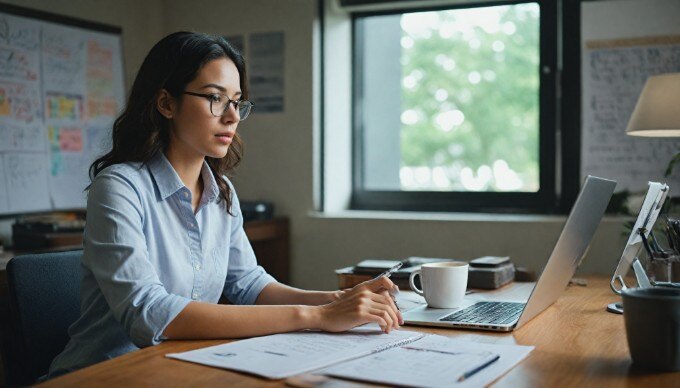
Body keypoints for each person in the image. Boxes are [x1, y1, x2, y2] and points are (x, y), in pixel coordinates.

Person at [48, 31, 401, 377]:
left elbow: (249, 285)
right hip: (101, 374)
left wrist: (337, 300)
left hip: (178, 369)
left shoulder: (221, 190)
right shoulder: (119, 187)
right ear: (166, 103)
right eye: (215, 98)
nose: (231, 117)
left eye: (236, 102)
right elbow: (150, 312)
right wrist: (318, 316)